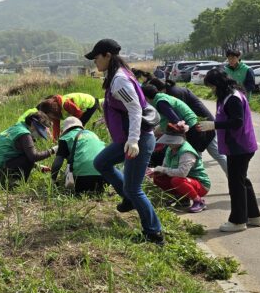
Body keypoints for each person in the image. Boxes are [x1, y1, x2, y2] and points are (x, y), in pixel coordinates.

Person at [86, 38, 164, 245]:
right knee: (101, 163)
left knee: (134, 188)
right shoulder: (117, 76)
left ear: (108, 56)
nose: (95, 62)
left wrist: (133, 141)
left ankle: (154, 233)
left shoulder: (119, 79)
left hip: (136, 139)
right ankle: (128, 199)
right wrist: (107, 118)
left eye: (96, 57)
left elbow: (135, 109)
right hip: (127, 139)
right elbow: (122, 106)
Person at [202, 69, 260, 232]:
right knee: (242, 181)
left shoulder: (233, 98)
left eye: (212, 87)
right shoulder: (228, 96)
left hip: (239, 146)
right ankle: (253, 216)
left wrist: (214, 125)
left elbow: (237, 122)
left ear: (218, 85)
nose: (212, 90)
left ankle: (238, 221)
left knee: (235, 184)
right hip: (237, 145)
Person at [150, 77, 227, 175]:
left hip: (201, 125)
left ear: (159, 90)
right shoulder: (171, 92)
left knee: (213, 154)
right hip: (199, 124)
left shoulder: (170, 95)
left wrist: (159, 130)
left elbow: (177, 118)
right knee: (204, 155)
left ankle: (235, 180)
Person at [0, 111, 57, 183]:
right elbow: (34, 157)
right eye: (38, 131)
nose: (39, 135)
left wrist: (37, 166)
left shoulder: (17, 127)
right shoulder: (24, 134)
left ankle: (6, 179)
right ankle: (15, 183)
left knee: (27, 155)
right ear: (32, 124)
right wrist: (53, 150)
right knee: (29, 159)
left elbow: (16, 154)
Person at [146, 133, 210, 213]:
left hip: (200, 184)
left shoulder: (187, 152)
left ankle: (198, 201)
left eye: (172, 141)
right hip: (184, 179)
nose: (169, 144)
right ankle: (182, 199)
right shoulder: (170, 149)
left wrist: (161, 169)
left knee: (177, 180)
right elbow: (165, 166)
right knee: (158, 178)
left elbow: (182, 173)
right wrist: (156, 172)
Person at [50, 117, 107, 194]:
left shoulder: (66, 137)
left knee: (69, 172)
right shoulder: (92, 134)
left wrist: (53, 180)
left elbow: (58, 163)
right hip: (105, 177)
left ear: (65, 129)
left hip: (82, 180)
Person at [36, 92, 102, 140]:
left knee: (77, 126)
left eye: (47, 115)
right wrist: (55, 140)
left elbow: (78, 114)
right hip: (78, 110)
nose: (48, 118)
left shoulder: (66, 104)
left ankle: (81, 141)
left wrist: (68, 128)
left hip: (91, 104)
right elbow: (56, 126)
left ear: (50, 111)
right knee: (71, 129)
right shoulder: (55, 112)